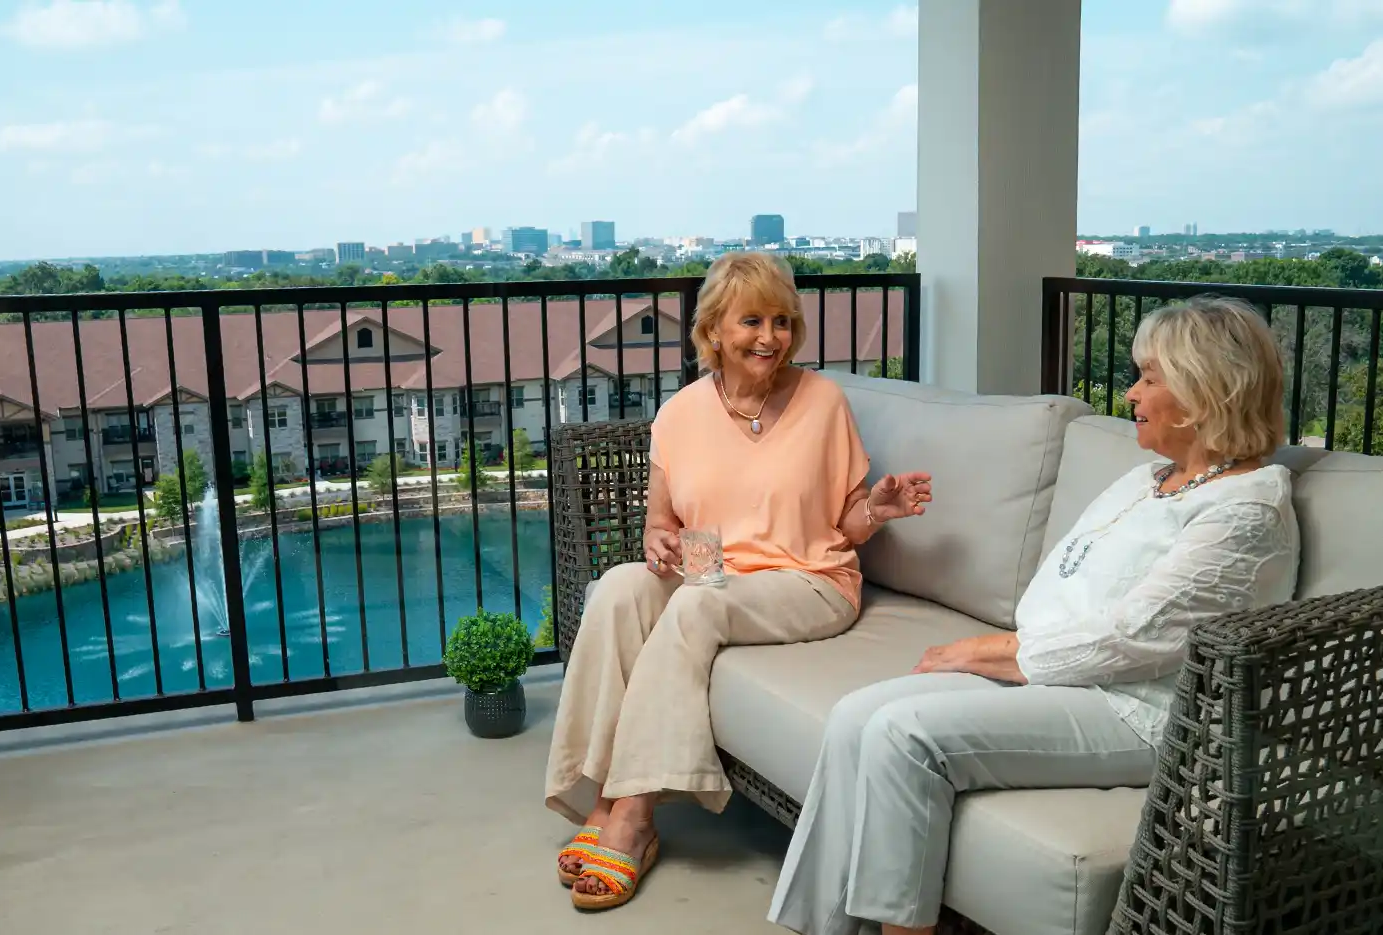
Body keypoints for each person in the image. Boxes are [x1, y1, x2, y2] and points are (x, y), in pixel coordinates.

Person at [767, 295, 1301, 935]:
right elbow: (1056, 592)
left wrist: (987, 653)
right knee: (857, 714)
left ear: (1204, 393)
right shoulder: (1147, 480)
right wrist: (1012, 652)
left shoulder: (1246, 508)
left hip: (1150, 711)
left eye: (1149, 378)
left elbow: (1142, 637)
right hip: (1070, 677)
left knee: (903, 732)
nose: (1130, 393)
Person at [544, 251, 933, 911]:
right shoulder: (679, 414)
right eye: (752, 320)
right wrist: (656, 541)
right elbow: (660, 522)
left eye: (782, 321)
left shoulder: (823, 402)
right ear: (714, 331)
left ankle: (632, 813)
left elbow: (846, 521)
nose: (769, 337)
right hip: (715, 567)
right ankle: (600, 789)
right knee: (614, 589)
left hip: (808, 577)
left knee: (697, 607)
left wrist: (880, 508)